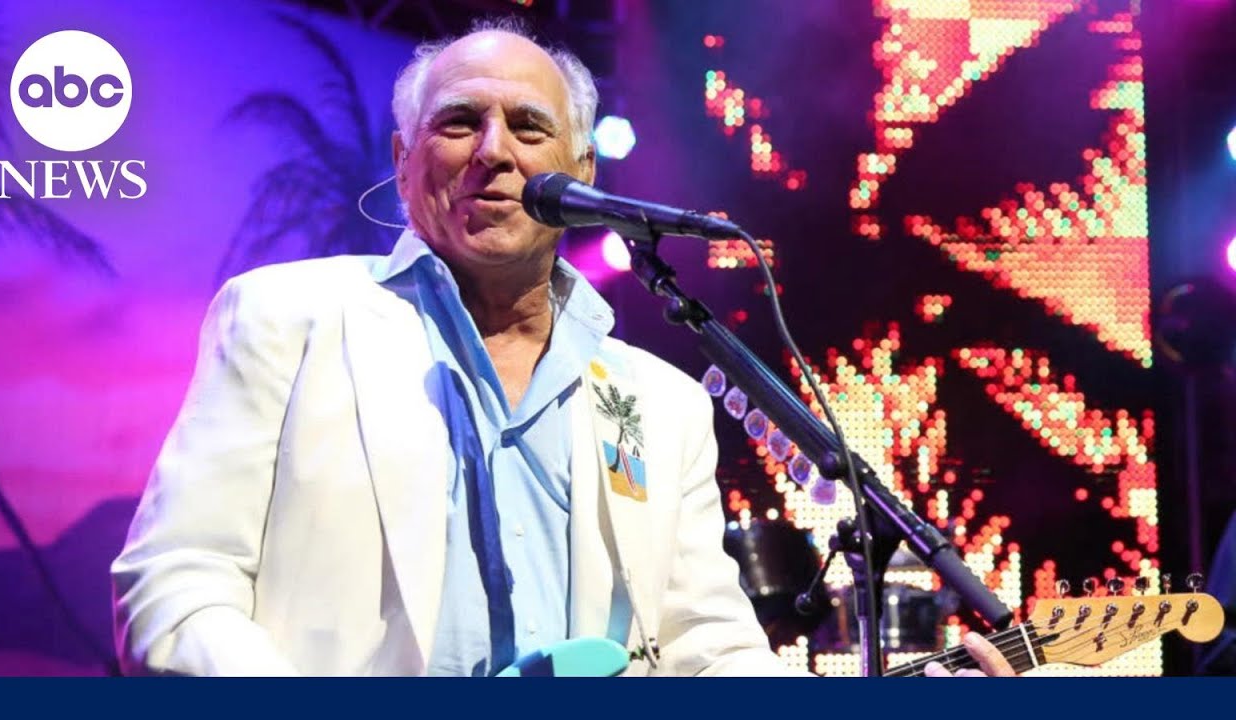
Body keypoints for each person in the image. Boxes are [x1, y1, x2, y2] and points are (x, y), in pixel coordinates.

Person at [110, 18, 1013, 677]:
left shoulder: (660, 400)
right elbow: (176, 587)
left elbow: (708, 649)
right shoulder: (288, 318)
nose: (493, 151)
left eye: (529, 126)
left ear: (582, 171)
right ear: (404, 159)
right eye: (458, 122)